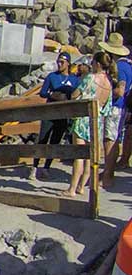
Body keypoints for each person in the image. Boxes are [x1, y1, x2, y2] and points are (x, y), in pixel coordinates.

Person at [67, 55, 115, 198]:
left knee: (79, 155)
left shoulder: (90, 78)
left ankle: (72, 189)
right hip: (97, 121)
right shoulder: (108, 83)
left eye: (93, 62)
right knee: (90, 156)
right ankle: (82, 187)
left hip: (83, 119)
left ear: (98, 64)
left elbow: (75, 95)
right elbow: (108, 108)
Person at [33, 52, 78, 180]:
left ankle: (46, 167)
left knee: (55, 141)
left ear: (68, 63)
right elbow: (42, 93)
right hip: (50, 111)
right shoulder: (52, 76)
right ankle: (35, 166)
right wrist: (50, 95)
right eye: (58, 62)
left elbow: (76, 93)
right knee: (43, 138)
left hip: (63, 113)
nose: (59, 64)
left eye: (62, 62)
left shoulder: (74, 79)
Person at [100, 33, 132, 180]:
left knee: (110, 140)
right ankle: (109, 171)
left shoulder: (119, 67)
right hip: (122, 107)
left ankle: (108, 174)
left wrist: (105, 93)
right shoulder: (127, 66)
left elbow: (120, 90)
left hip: (115, 107)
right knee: (114, 139)